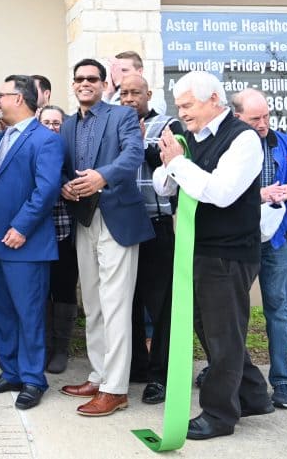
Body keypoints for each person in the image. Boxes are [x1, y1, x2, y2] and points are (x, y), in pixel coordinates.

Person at [153, 70, 273, 440]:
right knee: (215, 329)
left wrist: (177, 163)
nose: (182, 112)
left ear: (214, 101)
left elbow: (220, 192)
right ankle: (253, 395)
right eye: (179, 105)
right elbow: (163, 183)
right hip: (199, 249)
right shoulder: (190, 139)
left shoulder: (244, 139)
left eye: (188, 104)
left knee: (222, 333)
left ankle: (219, 415)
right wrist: (170, 163)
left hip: (230, 254)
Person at [58, 58, 153, 418]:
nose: (85, 83)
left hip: (118, 219)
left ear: (103, 84)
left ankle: (115, 389)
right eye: (79, 78)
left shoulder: (122, 117)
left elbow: (133, 155)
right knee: (94, 303)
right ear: (74, 84)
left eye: (92, 78)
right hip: (84, 218)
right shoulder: (67, 125)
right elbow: (63, 168)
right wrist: (65, 186)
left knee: (115, 305)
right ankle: (98, 376)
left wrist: (103, 176)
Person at [0, 75, 63, 411]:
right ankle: (10, 371)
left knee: (29, 314)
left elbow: (46, 189)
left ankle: (32, 379)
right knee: (2, 312)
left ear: (21, 99)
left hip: (23, 242)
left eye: (2, 94)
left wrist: (22, 227)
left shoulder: (45, 140)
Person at [232, 88, 287, 410]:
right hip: (238, 240)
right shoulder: (229, 145)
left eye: (266, 116)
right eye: (255, 118)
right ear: (237, 117)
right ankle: (227, 371)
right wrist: (260, 194)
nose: (263, 123)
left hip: (276, 241)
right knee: (230, 312)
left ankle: (283, 382)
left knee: (277, 310)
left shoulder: (286, 143)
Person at [120, 74, 182, 404]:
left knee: (160, 306)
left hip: (156, 225)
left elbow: (170, 161)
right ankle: (137, 368)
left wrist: (139, 144)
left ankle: (161, 375)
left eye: (135, 92)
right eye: (124, 93)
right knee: (127, 302)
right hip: (122, 224)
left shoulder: (168, 124)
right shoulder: (115, 122)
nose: (129, 98)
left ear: (149, 94)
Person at [38, 105, 78, 374]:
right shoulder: (33, 149)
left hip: (65, 230)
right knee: (40, 291)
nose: (52, 127)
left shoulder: (71, 152)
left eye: (56, 123)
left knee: (63, 289)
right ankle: (45, 346)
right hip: (38, 232)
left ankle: (61, 348)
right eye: (46, 122)